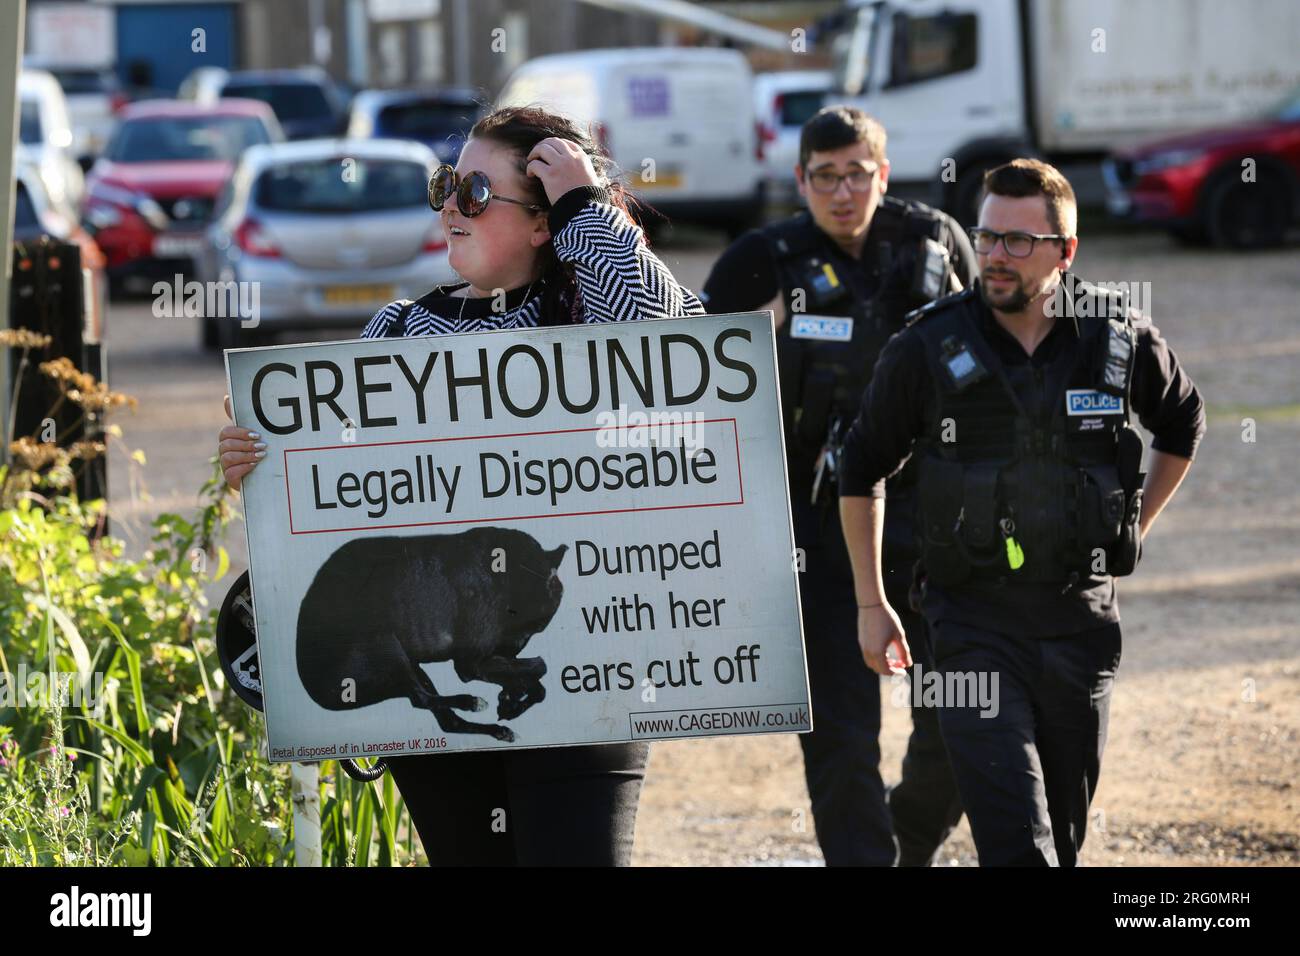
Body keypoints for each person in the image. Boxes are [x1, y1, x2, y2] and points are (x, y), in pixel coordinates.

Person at [217, 104, 706, 865]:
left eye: (474, 193)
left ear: (545, 224)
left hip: (589, 683)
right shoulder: (398, 332)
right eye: (446, 186)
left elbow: (677, 356)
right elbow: (339, 505)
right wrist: (263, 465)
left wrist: (587, 207)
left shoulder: (591, 318)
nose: (448, 206)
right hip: (439, 685)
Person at [838, 158, 1206, 866]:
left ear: (1065, 252)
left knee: (1061, 841)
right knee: (1018, 843)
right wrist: (870, 604)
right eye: (987, 238)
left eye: (1017, 242)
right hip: (970, 624)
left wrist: (1135, 526)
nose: (995, 257)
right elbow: (862, 468)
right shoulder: (928, 343)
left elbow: (1183, 423)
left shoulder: (1115, 335)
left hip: (1081, 625)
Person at [699, 106, 974, 866]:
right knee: (842, 736)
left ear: (883, 173)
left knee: (961, 715)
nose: (844, 192)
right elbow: (687, 364)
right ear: (801, 181)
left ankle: (908, 840)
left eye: (859, 173)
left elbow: (994, 356)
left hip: (936, 517)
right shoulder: (767, 256)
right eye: (826, 177)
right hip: (815, 527)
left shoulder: (936, 241)